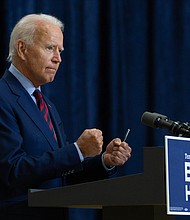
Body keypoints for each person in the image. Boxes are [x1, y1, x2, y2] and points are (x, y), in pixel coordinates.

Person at [0, 13, 132, 220]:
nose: (58, 58)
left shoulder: (46, 105)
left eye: (60, 51)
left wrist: (105, 161)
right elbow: (11, 171)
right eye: (50, 48)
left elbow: (60, 174)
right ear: (22, 49)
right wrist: (77, 151)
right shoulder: (3, 96)